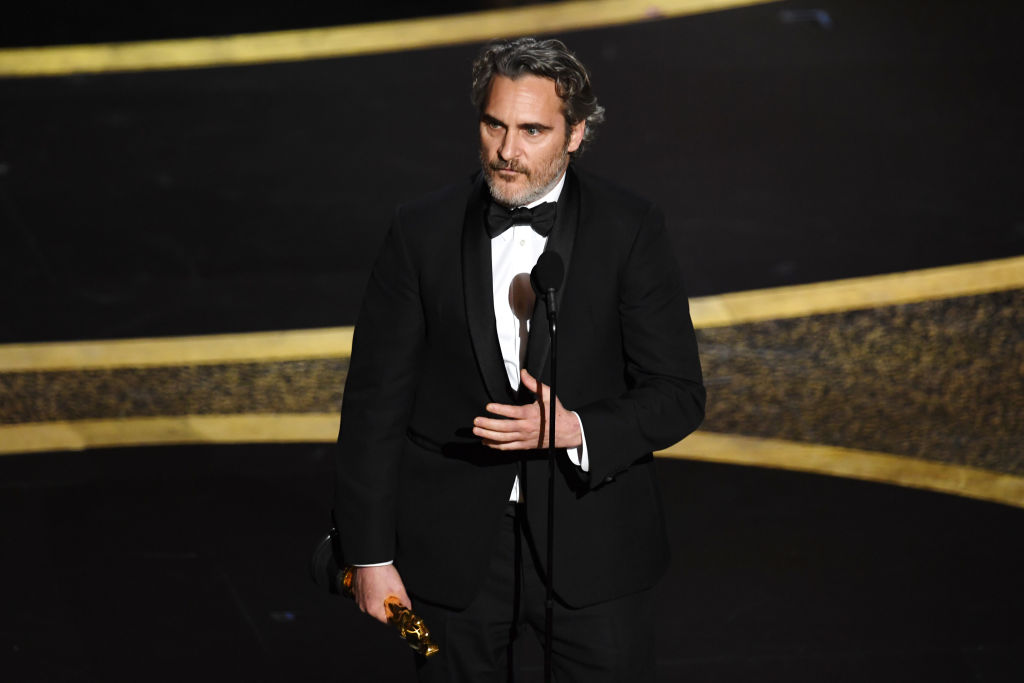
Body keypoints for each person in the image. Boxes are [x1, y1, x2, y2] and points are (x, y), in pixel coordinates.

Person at [334, 37, 705, 682]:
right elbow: (373, 406)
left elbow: (678, 393)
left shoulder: (630, 228)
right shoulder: (419, 230)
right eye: (494, 125)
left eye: (533, 130)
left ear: (576, 133)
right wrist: (368, 558)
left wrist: (575, 429)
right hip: (446, 562)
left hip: (598, 553)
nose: (508, 151)